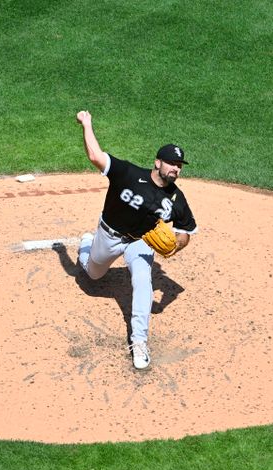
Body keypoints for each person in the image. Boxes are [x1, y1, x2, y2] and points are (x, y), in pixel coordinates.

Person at [75, 110, 198, 369]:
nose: (176, 168)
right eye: (171, 163)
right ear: (157, 163)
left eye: (179, 165)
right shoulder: (129, 174)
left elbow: (187, 230)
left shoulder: (176, 199)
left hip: (140, 241)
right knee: (92, 275)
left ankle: (139, 341)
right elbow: (95, 156)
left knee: (143, 281)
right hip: (109, 234)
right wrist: (87, 124)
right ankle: (86, 244)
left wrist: (176, 244)